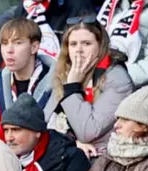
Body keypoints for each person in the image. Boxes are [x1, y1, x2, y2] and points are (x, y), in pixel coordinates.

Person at [43, 21, 134, 152]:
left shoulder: (117, 79)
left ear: (100, 46)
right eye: (73, 44)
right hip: (67, 150)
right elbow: (43, 124)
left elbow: (88, 131)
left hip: (102, 154)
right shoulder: (64, 72)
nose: (79, 50)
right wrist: (71, 143)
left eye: (86, 43)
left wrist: (72, 87)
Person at [0, 19, 52, 139]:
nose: (9, 50)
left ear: (34, 47)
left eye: (18, 43)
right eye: (4, 43)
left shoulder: (57, 81)